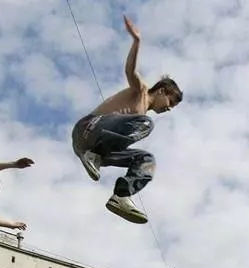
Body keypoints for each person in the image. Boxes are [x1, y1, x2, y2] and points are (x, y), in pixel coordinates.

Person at [71, 15, 183, 224]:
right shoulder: (140, 91)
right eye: (170, 102)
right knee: (145, 123)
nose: (168, 108)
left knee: (147, 160)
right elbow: (130, 71)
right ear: (161, 91)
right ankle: (94, 155)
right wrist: (136, 42)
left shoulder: (138, 120)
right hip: (88, 129)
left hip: (97, 148)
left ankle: (121, 196)